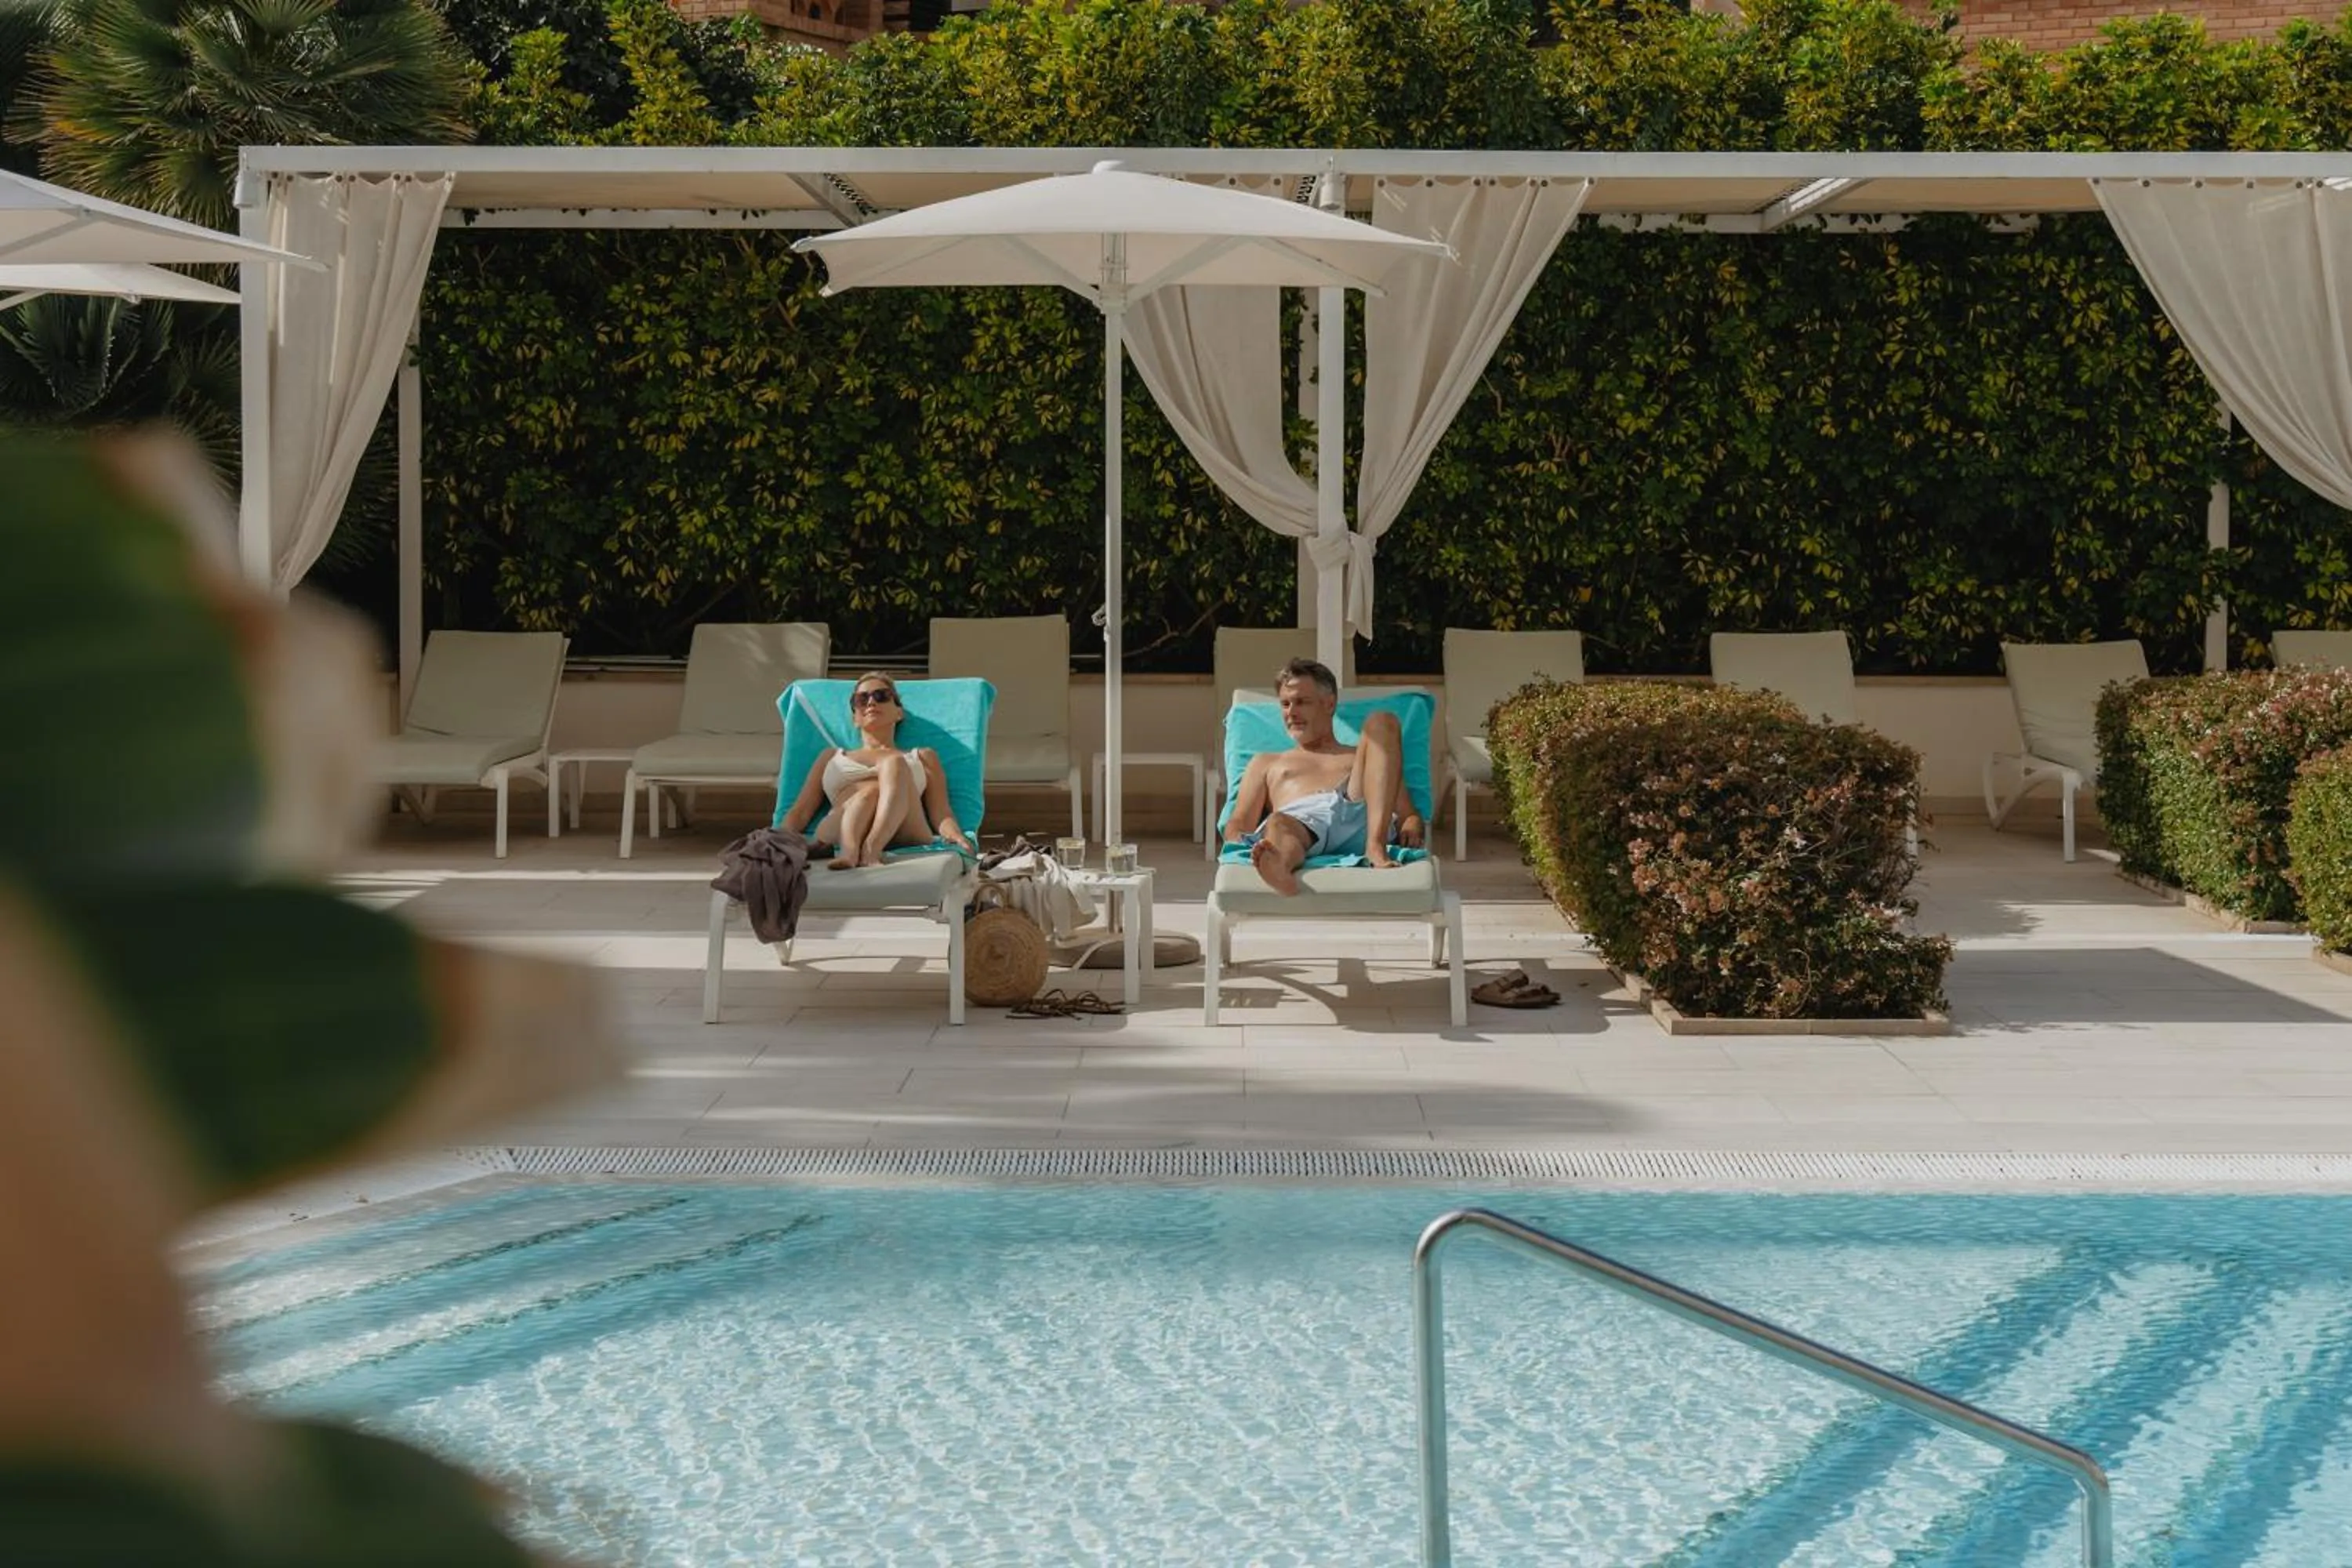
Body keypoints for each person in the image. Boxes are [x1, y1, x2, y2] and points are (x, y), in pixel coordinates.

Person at [1222, 658, 1424, 897]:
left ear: (1329, 704)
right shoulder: (1267, 763)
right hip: (1301, 823)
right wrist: (1240, 841)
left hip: (1360, 812)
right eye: (1285, 704)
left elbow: (1407, 815)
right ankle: (1280, 866)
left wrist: (1412, 825)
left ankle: (1375, 847)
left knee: (1383, 721)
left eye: (1301, 702)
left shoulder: (1366, 757)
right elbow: (1239, 822)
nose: (1291, 713)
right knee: (1277, 823)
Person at [778, 673, 972, 869]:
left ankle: (872, 848)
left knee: (894, 763)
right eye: (861, 699)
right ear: (855, 717)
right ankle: (851, 852)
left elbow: (941, 812)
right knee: (870, 791)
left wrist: (957, 836)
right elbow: (800, 812)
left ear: (899, 712)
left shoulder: (922, 757)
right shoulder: (831, 757)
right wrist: (776, 841)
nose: (871, 702)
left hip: (905, 829)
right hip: (840, 828)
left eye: (881, 696)